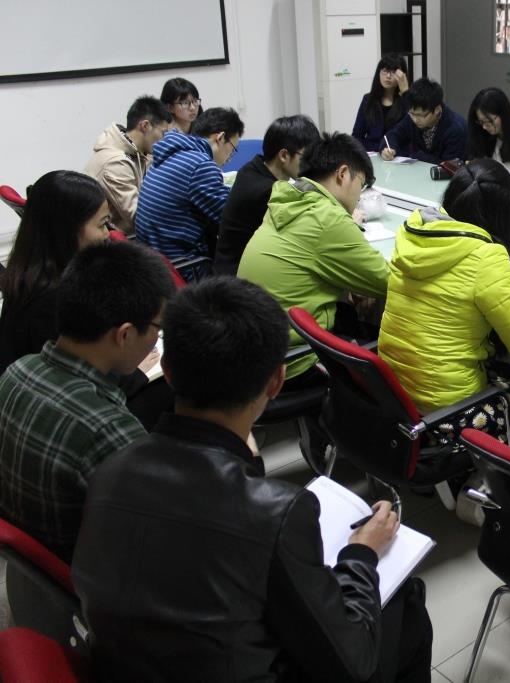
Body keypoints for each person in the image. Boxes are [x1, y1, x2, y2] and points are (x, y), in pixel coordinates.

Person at [71, 277, 433, 682]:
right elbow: (353, 663)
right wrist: (361, 553)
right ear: (276, 381)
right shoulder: (276, 513)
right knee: (406, 607)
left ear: (167, 370)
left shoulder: (111, 467)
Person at [0, 241, 172, 561]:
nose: (156, 339)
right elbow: (163, 535)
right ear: (124, 334)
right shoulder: (111, 429)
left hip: (37, 555)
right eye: (158, 328)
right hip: (94, 569)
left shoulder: (18, 372)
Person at [378, 158, 510, 444]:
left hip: (394, 394)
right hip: (446, 411)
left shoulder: (411, 234)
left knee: (507, 372)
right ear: (501, 211)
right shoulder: (486, 257)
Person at [238, 132, 389, 384]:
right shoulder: (326, 218)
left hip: (253, 350)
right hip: (293, 363)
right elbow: (388, 281)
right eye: (360, 185)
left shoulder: (288, 200)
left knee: (350, 314)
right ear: (343, 174)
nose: (358, 196)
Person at [0, 171, 112, 374]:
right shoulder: (54, 300)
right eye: (102, 224)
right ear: (68, 230)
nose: (107, 234)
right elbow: (84, 370)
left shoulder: (29, 271)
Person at [135, 107, 245, 281]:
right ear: (220, 138)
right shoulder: (200, 165)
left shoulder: (170, 154)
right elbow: (232, 218)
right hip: (185, 270)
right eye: (232, 150)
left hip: (155, 265)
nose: (230, 158)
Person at [214, 115, 320, 275]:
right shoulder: (268, 192)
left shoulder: (252, 168)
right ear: (283, 155)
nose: (312, 163)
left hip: (230, 268)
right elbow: (307, 235)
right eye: (307, 157)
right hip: (239, 279)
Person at [84, 96, 173, 233]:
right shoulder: (115, 163)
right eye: (163, 133)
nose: (165, 140)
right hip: (109, 241)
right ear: (145, 126)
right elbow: (139, 217)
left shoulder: (139, 154)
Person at [379, 78, 467, 164]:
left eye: (421, 115)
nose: (415, 119)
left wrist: (418, 156)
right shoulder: (412, 117)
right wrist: (388, 149)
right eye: (412, 113)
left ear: (437, 110)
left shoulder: (455, 129)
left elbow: (450, 166)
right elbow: (393, 135)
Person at [353, 54, 410, 153]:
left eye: (393, 72)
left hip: (398, 155)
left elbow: (412, 134)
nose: (388, 76)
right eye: (385, 71)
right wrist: (380, 149)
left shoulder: (406, 101)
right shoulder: (368, 99)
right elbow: (357, 136)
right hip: (373, 154)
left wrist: (406, 92)